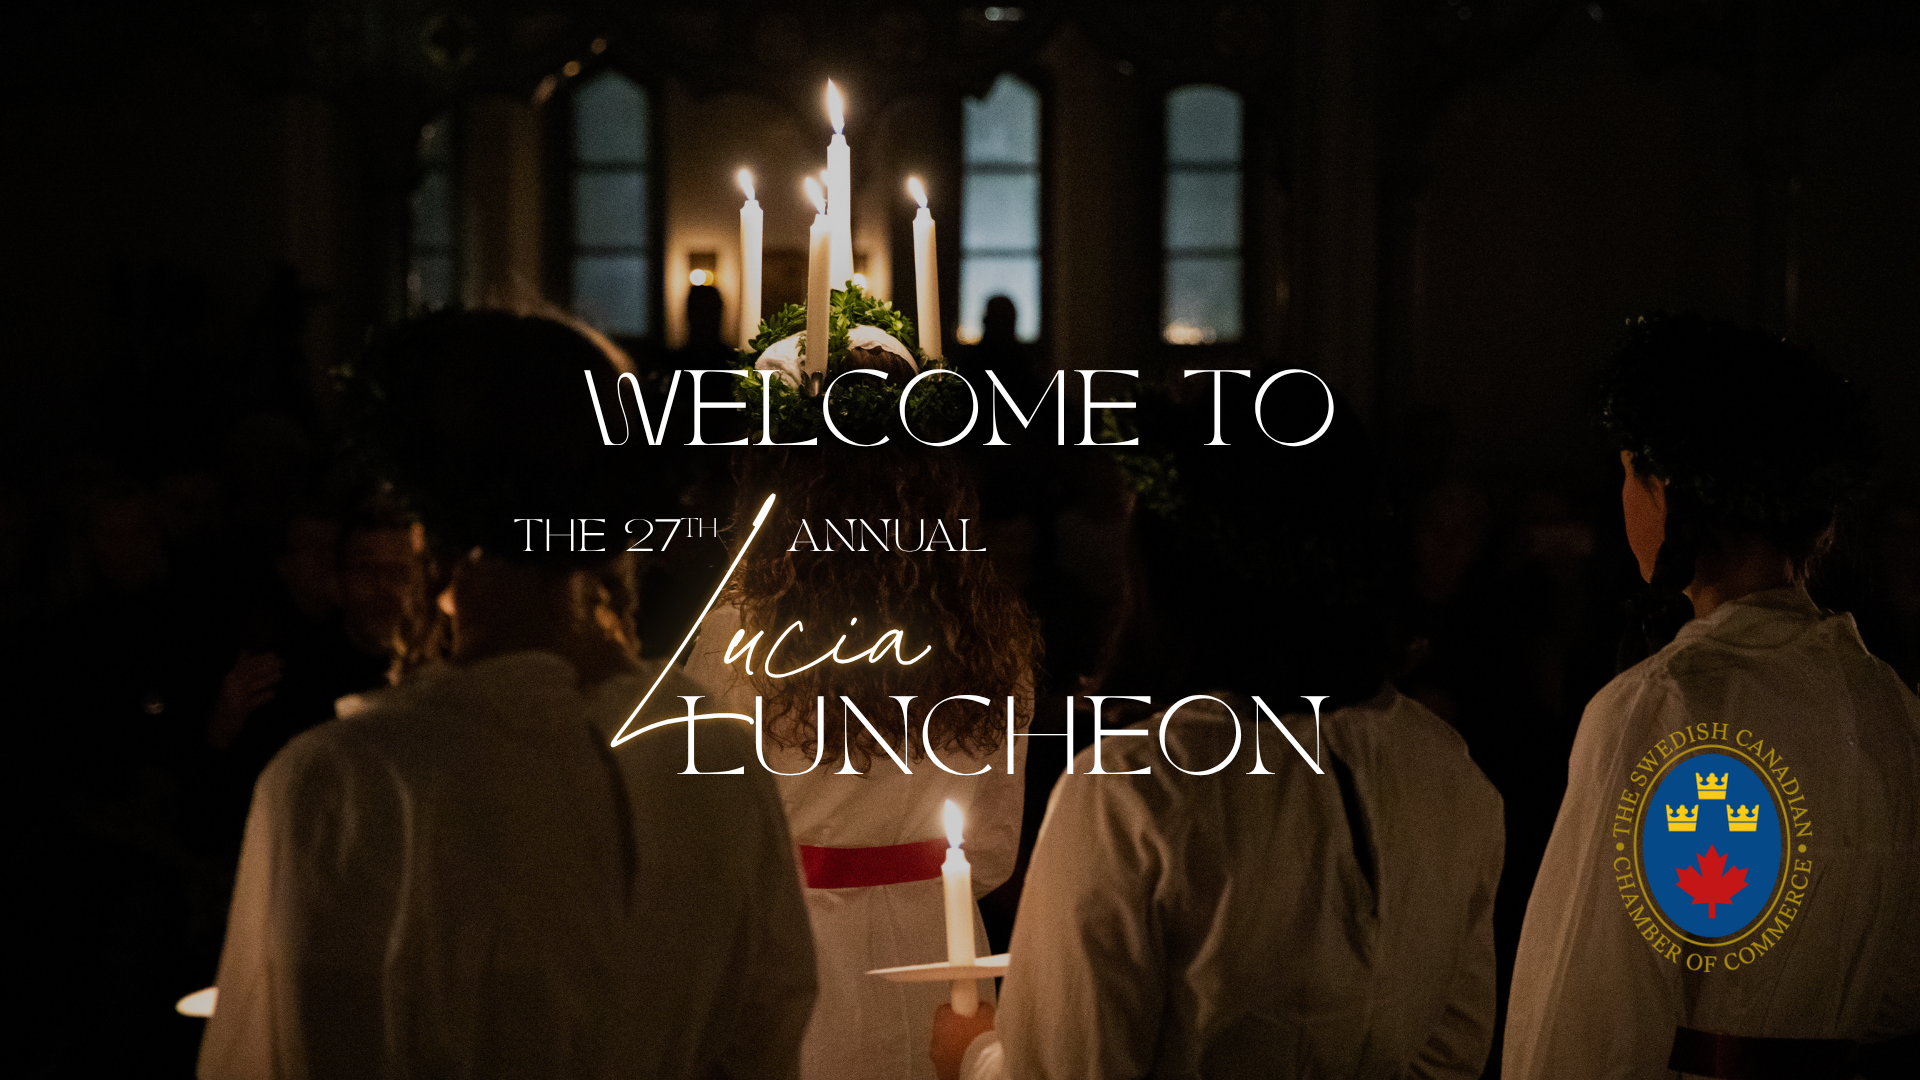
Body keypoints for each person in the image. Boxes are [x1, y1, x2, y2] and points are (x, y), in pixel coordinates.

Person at [200, 310, 816, 1080]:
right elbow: (767, 1034)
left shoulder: (348, 777)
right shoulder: (714, 754)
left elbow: (288, 1050)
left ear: (426, 521)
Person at [930, 386, 1506, 1079]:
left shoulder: (1134, 792)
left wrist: (978, 1055)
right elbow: (1452, 1053)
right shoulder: (1446, 769)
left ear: (1170, 562)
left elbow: (1067, 1068)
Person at [1504, 313, 1920, 1079]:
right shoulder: (1889, 702)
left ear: (1669, 493)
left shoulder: (1660, 706)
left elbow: (1585, 1011)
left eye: (1630, 474)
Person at [686, 320, 1042, 1080]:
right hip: (941, 956)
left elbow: (706, 843)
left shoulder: (732, 634)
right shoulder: (993, 637)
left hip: (788, 958)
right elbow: (991, 851)